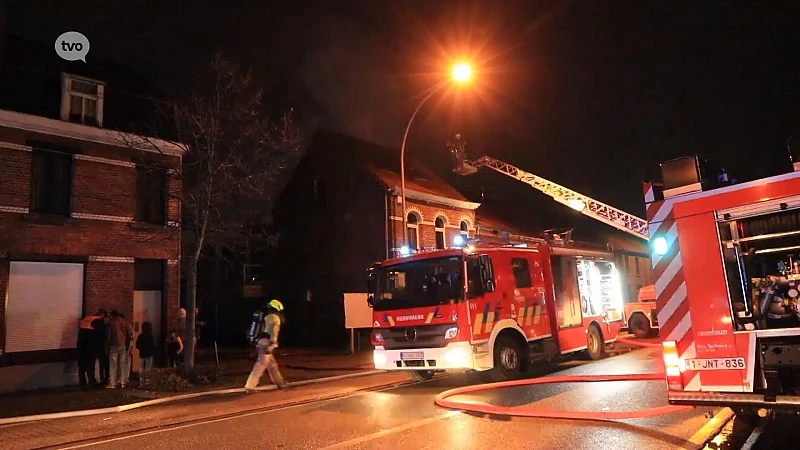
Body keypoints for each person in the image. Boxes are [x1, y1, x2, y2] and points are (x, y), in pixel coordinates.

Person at [245, 299, 287, 391]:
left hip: (259, 342)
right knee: (261, 364)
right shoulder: (274, 318)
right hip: (266, 343)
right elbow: (273, 332)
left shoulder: (265, 316)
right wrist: (273, 344)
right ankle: (250, 386)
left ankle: (280, 382)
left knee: (272, 365)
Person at [77, 310, 105, 389]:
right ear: (102, 315)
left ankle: (83, 384)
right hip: (90, 347)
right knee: (90, 366)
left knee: (81, 367)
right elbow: (101, 335)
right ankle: (92, 383)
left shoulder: (86, 319)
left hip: (81, 346)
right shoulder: (98, 321)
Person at [106, 310, 132, 388]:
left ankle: (113, 382)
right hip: (123, 345)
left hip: (114, 345)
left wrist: (106, 346)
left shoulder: (111, 323)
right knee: (123, 364)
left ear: (113, 315)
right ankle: (123, 382)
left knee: (113, 364)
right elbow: (129, 335)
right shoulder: (125, 322)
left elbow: (108, 336)